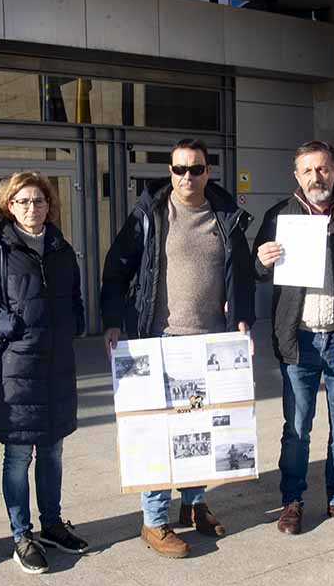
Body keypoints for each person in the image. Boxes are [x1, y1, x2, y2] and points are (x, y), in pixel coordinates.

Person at [100, 138, 256, 558]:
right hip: (159, 340)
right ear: (169, 172)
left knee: (200, 431)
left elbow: (240, 272)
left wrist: (241, 315)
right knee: (156, 433)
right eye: (179, 169)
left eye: (197, 169)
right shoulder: (149, 214)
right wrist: (113, 321)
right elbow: (117, 267)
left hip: (210, 340)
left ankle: (192, 503)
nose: (188, 176)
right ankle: (153, 521)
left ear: (209, 172)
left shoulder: (225, 216)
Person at [253, 140, 334, 535]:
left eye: (323, 168)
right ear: (296, 176)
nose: (316, 177)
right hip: (299, 339)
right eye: (308, 170)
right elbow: (257, 271)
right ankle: (292, 502)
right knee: (297, 431)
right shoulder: (279, 215)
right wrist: (261, 262)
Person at [0, 171, 90, 574]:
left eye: (39, 201)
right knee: (18, 455)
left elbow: (73, 298)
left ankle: (52, 524)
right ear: (8, 206)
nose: (32, 208)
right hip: (16, 370)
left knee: (53, 450)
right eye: (23, 202)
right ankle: (22, 533)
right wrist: (6, 325)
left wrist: (75, 322)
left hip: (57, 368)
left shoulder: (62, 248)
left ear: (50, 206)